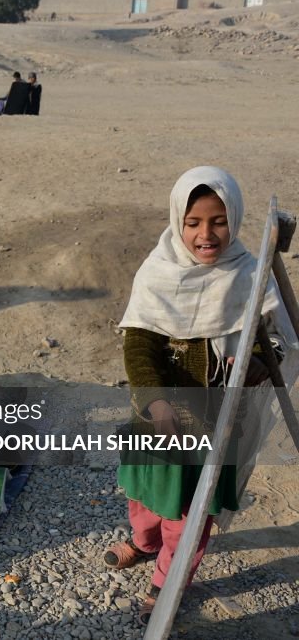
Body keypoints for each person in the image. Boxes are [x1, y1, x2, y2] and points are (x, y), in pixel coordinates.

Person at [106, 166, 299, 623]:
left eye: (218, 221)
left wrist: (255, 360)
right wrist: (155, 401)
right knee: (146, 493)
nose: (205, 234)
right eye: (193, 222)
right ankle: (143, 540)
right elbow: (139, 342)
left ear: (234, 219)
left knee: (192, 512)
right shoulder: (158, 271)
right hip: (158, 418)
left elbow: (275, 339)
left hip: (216, 421)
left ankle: (167, 581)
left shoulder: (249, 274)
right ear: (178, 221)